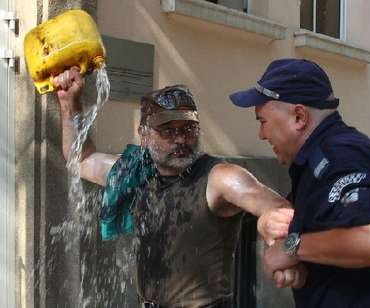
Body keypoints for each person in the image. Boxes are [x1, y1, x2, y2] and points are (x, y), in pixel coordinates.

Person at [53, 67, 293, 308]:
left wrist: (275, 229)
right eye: (168, 131)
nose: (180, 139)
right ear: (144, 136)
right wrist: (69, 101)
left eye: (188, 129)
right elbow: (80, 159)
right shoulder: (133, 172)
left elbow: (276, 206)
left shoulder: (219, 177)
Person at [229, 58, 370, 307]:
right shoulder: (315, 163)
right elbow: (330, 243)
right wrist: (276, 234)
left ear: (299, 117)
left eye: (263, 121)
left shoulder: (341, 156)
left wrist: (291, 247)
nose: (262, 134)